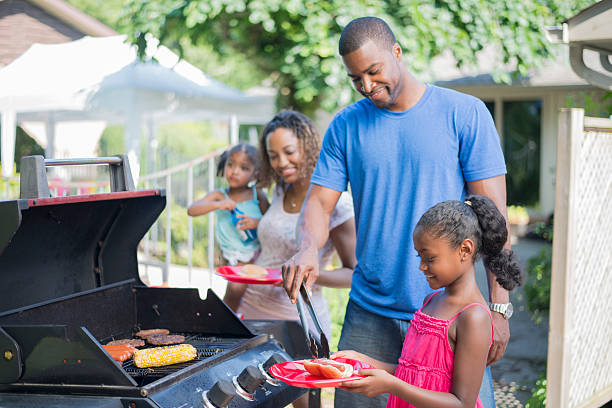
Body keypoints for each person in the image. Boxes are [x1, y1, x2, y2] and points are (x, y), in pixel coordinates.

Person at [281, 17, 511, 408]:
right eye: (356, 79)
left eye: (374, 71)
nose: (367, 86)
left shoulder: (465, 114)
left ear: (397, 53)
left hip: (453, 315)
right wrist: (306, 248)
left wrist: (500, 306)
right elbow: (320, 203)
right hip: (370, 313)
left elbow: (494, 219)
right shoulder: (345, 126)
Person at [335, 195, 522, 407]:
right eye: (419, 257)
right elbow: (414, 374)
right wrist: (364, 361)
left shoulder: (473, 317)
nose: (422, 266)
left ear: (465, 250)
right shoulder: (431, 300)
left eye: (430, 258)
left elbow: (462, 403)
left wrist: (393, 386)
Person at [236, 110, 357, 336]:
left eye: (289, 152)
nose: (281, 163)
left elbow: (354, 274)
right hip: (251, 309)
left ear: (308, 148)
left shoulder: (338, 203)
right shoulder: (281, 188)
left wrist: (305, 273)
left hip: (297, 321)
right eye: (273, 156)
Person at [187, 143, 269, 312]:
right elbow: (192, 209)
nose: (235, 171)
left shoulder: (257, 194)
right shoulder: (219, 195)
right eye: (231, 164)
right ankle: (227, 318)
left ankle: (226, 318)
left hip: (255, 253)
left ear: (255, 173)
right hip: (231, 255)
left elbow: (271, 221)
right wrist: (218, 204)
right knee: (234, 292)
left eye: (244, 168)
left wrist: (256, 222)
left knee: (239, 293)